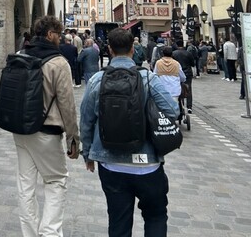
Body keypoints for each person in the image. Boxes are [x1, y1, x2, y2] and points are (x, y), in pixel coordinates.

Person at [80, 28, 178, 237]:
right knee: (155, 216)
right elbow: (173, 110)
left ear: (109, 49)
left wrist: (87, 154)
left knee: (118, 222)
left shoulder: (97, 80)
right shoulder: (148, 78)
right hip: (148, 164)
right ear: (133, 49)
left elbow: (86, 121)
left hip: (111, 163)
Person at [12, 15, 79, 237]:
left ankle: (30, 233)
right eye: (58, 34)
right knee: (56, 180)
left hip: (21, 130)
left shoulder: (22, 54)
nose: (60, 38)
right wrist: (73, 139)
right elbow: (67, 105)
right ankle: (50, 232)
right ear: (50, 34)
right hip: (47, 132)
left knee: (26, 185)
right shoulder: (58, 63)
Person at [173, 39, 195, 114]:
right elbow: (193, 63)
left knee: (178, 89)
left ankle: (181, 105)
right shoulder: (188, 53)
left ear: (177, 45)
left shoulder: (174, 53)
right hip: (187, 73)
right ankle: (189, 106)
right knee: (188, 89)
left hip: (177, 73)